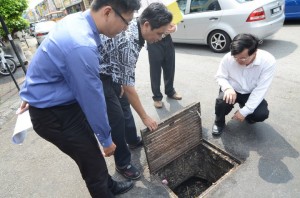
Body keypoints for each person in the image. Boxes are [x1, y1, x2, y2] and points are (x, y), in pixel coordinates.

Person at [18, 0, 141, 197]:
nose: (125, 29)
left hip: (62, 105)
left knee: (91, 154)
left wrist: (29, 90)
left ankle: (110, 185)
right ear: (108, 12)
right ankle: (105, 190)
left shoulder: (76, 20)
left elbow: (45, 56)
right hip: (55, 116)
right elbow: (92, 98)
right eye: (126, 22)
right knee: (92, 165)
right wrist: (106, 140)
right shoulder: (80, 44)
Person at [99, 2, 172, 180]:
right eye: (159, 33)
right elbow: (129, 88)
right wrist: (145, 117)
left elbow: (126, 83)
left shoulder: (136, 25)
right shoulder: (128, 43)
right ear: (146, 25)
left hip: (114, 69)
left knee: (124, 105)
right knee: (116, 117)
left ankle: (132, 139)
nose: (160, 38)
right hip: (100, 74)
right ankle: (122, 163)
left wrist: (122, 84)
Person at [212, 33, 276, 135]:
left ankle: (248, 114)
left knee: (261, 114)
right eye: (235, 57)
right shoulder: (228, 57)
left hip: (251, 92)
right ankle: (219, 122)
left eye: (242, 58)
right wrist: (228, 88)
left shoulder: (268, 61)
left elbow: (261, 89)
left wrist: (244, 112)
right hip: (232, 89)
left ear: (255, 52)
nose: (238, 61)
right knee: (221, 102)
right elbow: (220, 76)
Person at [145, 1, 182, 108]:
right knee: (155, 70)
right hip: (154, 41)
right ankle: (157, 97)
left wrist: (174, 28)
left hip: (167, 39)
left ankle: (170, 91)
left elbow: (176, 22)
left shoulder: (169, 2)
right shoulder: (147, 3)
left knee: (170, 67)